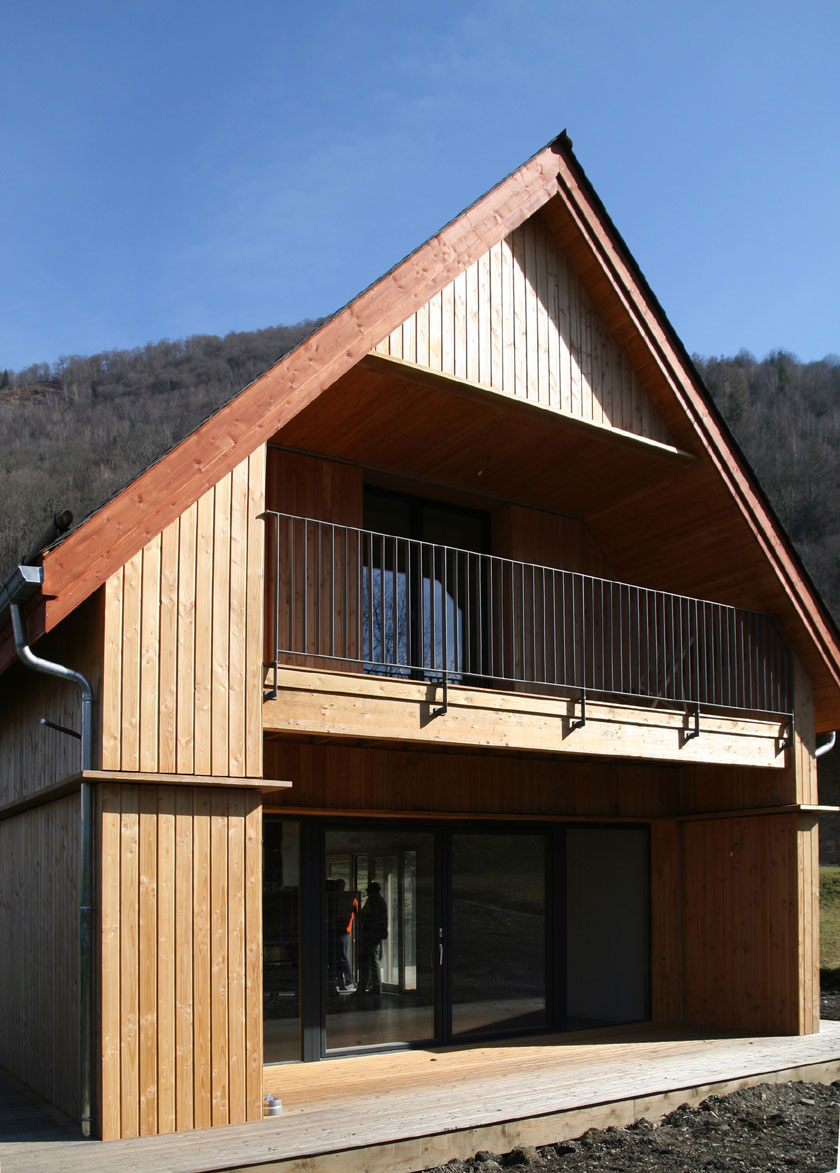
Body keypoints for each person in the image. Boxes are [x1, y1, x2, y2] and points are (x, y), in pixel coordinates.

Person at [357, 880, 388, 995]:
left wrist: (358, 914)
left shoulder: (373, 901)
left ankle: (372, 986)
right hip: (376, 934)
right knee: (373, 959)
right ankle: (374, 986)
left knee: (370, 960)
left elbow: (364, 915)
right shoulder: (381, 901)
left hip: (370, 934)